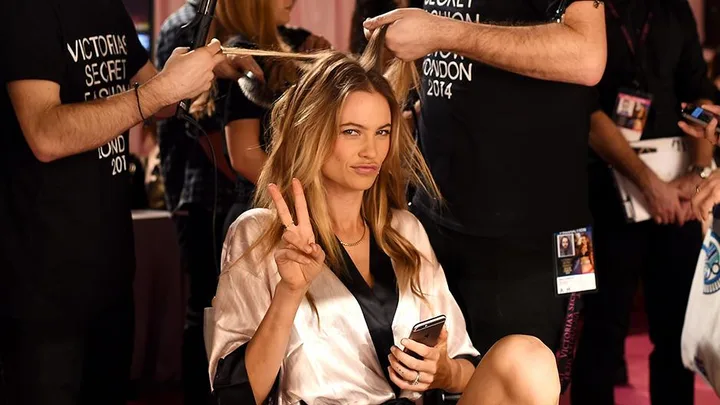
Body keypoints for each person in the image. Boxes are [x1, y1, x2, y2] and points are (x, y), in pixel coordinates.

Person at [208, 34, 562, 405]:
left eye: (382, 132)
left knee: (527, 356)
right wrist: (289, 293)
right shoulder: (258, 233)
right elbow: (235, 397)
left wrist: (441, 371)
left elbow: (465, 367)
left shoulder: (403, 230)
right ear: (309, 134)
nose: (371, 151)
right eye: (351, 132)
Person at [0, 0, 227, 404]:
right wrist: (161, 90)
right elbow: (45, 135)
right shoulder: (26, 11)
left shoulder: (107, 8)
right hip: (43, 285)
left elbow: (162, 102)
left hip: (111, 271)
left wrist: (184, 76)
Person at [362, 2, 607, 357]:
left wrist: (443, 32)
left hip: (536, 238)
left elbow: (587, 55)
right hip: (435, 222)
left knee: (524, 381)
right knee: (435, 379)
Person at [571, 1, 718, 403]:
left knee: (676, 335)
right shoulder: (585, 9)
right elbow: (583, 109)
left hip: (678, 197)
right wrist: (649, 185)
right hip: (603, 191)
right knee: (601, 331)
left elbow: (699, 95)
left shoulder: (673, 11)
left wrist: (699, 174)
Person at [154, 1, 267, 404]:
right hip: (200, 196)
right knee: (204, 309)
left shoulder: (243, 42)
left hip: (225, 195)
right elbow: (211, 139)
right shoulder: (184, 28)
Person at [208, 0, 331, 238]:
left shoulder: (301, 42)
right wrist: (305, 200)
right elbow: (245, 157)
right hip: (263, 212)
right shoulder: (242, 55)